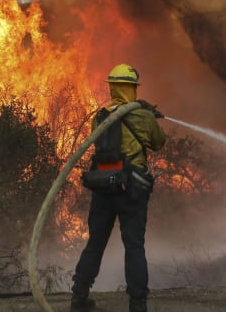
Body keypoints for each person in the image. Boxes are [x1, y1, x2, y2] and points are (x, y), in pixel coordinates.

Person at [71, 63, 166, 312]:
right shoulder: (142, 117)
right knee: (134, 245)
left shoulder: (100, 117)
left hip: (103, 188)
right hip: (131, 190)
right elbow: (158, 143)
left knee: (95, 243)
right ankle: (137, 304)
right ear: (132, 89)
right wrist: (150, 117)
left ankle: (78, 298)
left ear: (113, 87)